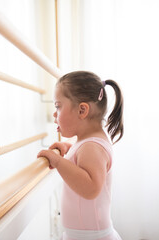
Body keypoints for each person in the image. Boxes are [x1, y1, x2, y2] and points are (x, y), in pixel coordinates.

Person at [37, 71, 123, 240]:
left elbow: (91, 188)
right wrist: (68, 148)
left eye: (58, 106)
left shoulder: (91, 146)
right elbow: (82, 159)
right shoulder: (88, 143)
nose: (55, 114)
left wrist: (58, 161)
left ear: (82, 110)